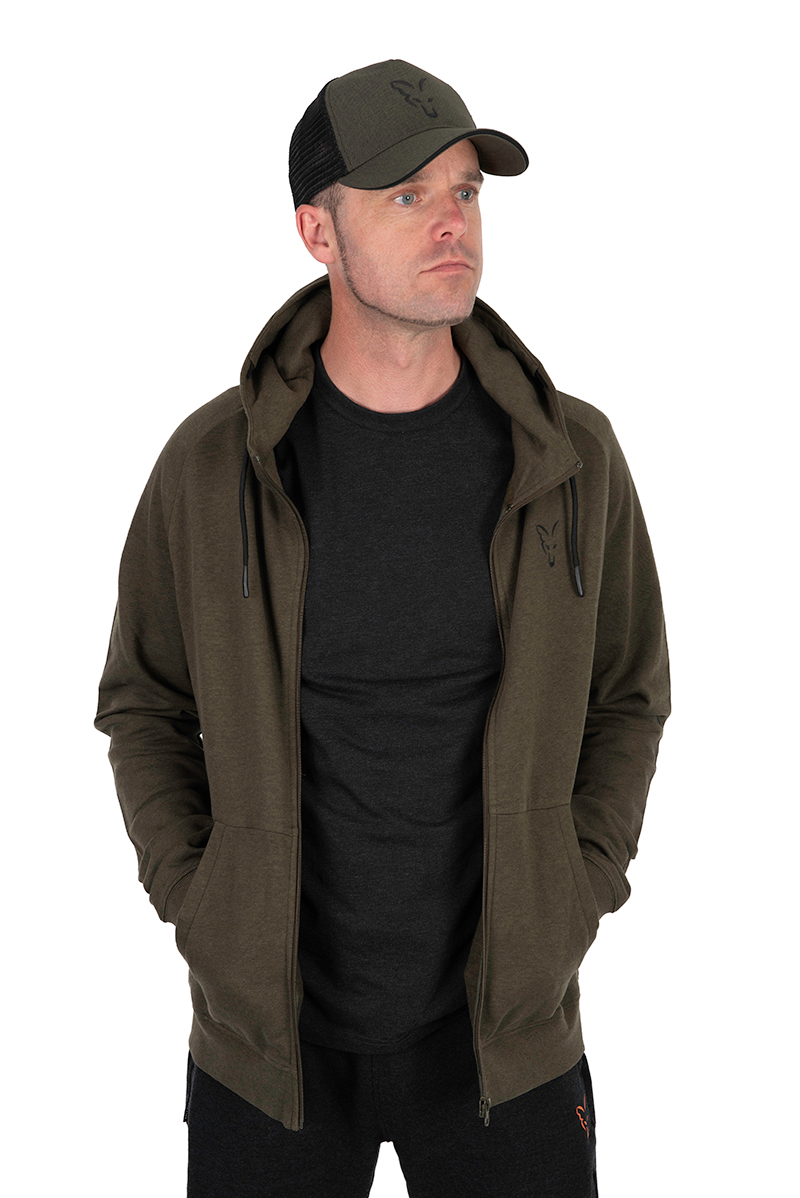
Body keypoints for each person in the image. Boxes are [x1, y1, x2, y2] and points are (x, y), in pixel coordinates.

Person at [95, 58, 670, 1198]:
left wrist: (580, 879)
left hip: (507, 1042)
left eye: (464, 190)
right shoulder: (212, 467)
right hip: (272, 1050)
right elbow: (144, 700)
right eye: (405, 195)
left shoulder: (572, 457)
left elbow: (627, 693)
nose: (451, 222)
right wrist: (199, 899)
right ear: (317, 231)